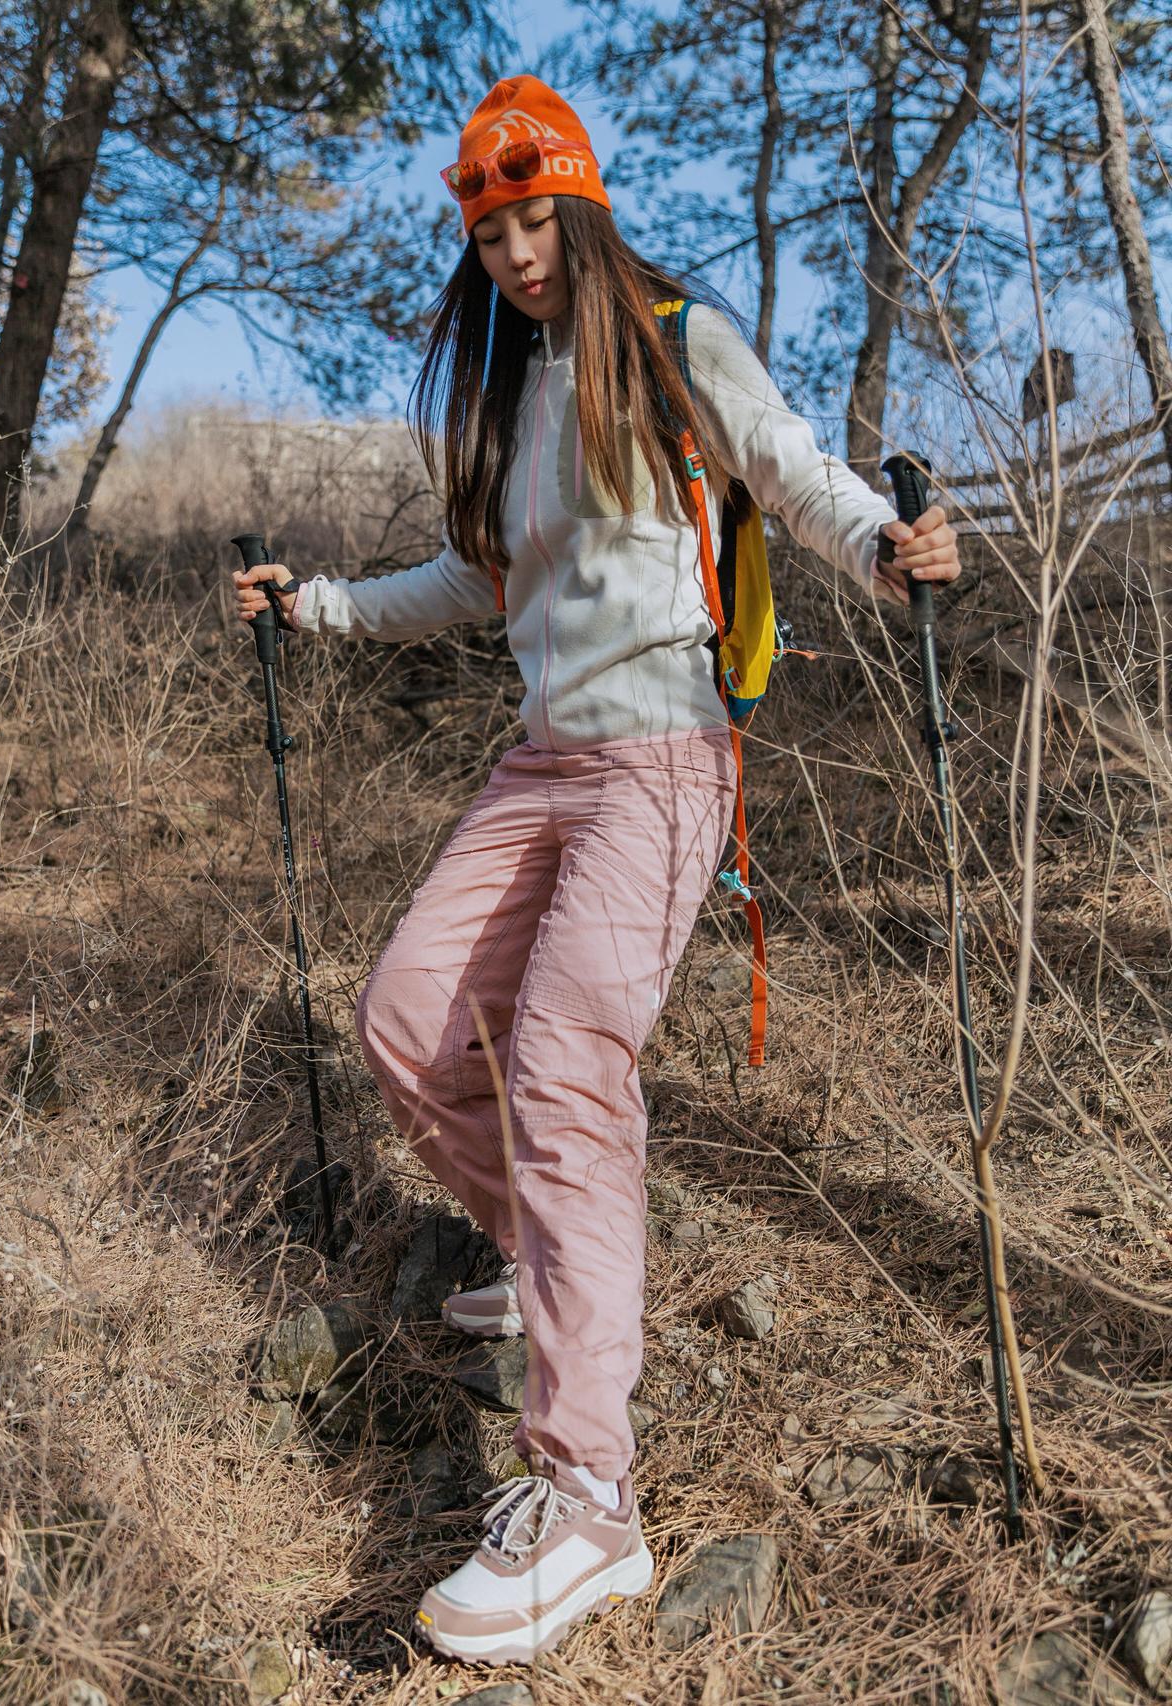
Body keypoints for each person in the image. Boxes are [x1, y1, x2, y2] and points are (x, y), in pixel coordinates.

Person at [233, 75, 960, 1667]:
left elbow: (792, 468)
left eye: (535, 220)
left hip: (666, 759)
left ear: (584, 205)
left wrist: (885, 545)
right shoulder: (513, 395)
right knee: (406, 1018)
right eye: (489, 233)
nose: (514, 255)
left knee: (564, 1053)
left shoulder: (677, 343)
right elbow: (473, 581)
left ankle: (591, 1502)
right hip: (544, 760)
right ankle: (555, 1254)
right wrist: (320, 607)